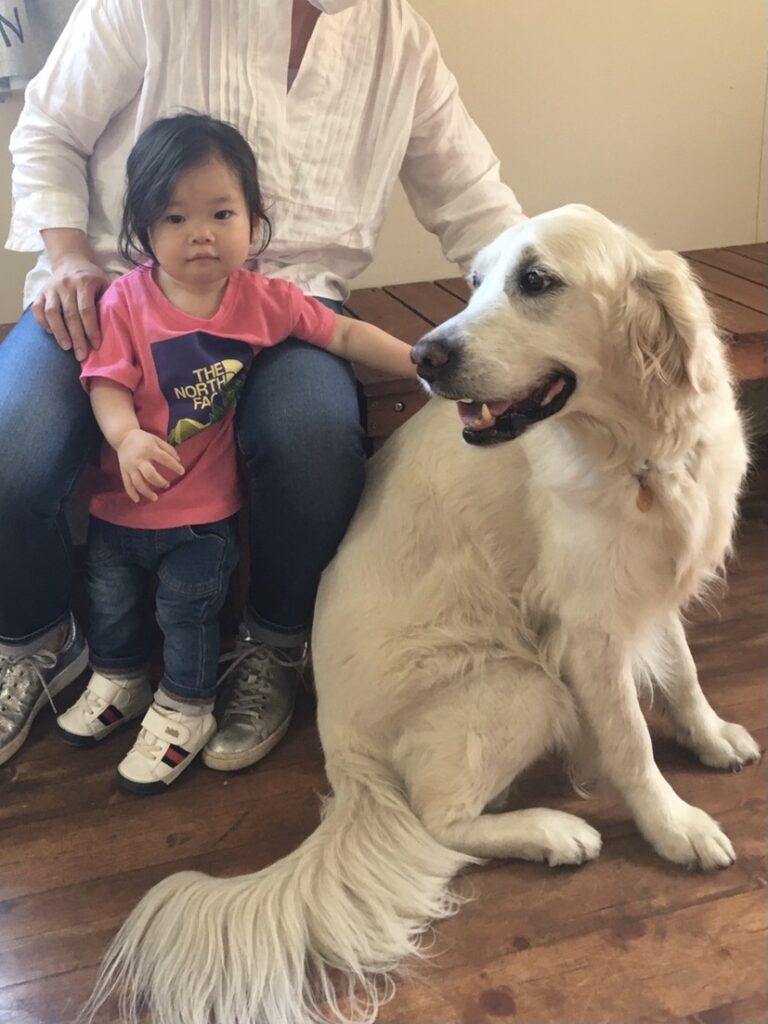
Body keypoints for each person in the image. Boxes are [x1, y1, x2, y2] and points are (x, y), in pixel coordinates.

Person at [0, 0, 525, 772]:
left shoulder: (400, 42)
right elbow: (49, 129)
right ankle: (35, 638)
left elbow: (475, 202)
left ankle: (274, 643)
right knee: (13, 446)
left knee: (314, 441)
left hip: (290, 303)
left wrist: (529, 327)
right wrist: (71, 256)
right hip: (113, 285)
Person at [52, 112, 416, 792]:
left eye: (222, 213)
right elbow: (106, 382)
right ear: (144, 230)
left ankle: (186, 709)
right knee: (113, 604)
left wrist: (427, 364)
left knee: (189, 616)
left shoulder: (261, 301)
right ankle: (119, 679)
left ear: (255, 219)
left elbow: (343, 336)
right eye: (175, 217)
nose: (201, 233)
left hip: (203, 516)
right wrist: (126, 437)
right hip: (119, 505)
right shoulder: (127, 301)